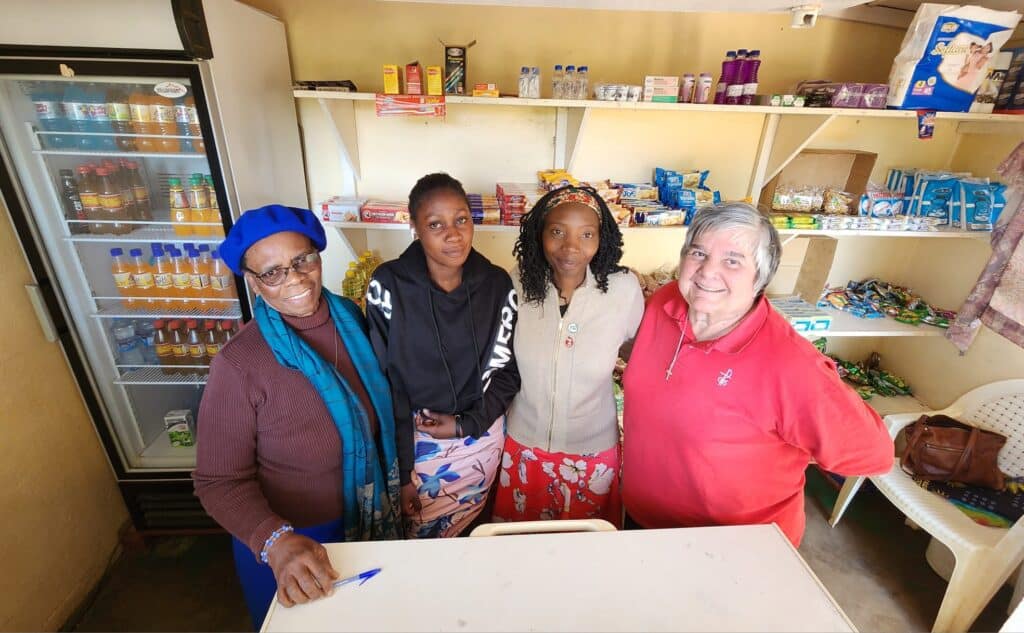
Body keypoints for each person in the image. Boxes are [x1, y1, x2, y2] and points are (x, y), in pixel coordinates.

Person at [621, 202, 894, 547]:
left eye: (732, 261)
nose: (707, 272)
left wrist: (789, 442)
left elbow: (873, 452)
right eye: (698, 253)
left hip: (735, 546)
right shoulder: (665, 303)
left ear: (760, 277)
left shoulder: (791, 364)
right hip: (644, 524)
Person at [193, 205, 401, 628]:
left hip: (372, 518)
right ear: (252, 281)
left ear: (318, 256)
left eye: (302, 260)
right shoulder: (239, 365)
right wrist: (276, 541)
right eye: (271, 273)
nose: (293, 279)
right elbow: (217, 481)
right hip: (293, 545)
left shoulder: (354, 319)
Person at [366, 173, 520, 538]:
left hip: (478, 439)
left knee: (469, 543)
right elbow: (383, 384)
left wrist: (466, 425)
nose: (453, 234)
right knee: (415, 550)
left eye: (461, 220)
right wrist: (403, 474)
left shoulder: (497, 285)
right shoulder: (388, 286)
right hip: (414, 446)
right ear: (414, 227)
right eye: (436, 224)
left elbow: (507, 373)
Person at [492, 186, 643, 525]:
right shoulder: (517, 284)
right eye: (557, 231)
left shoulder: (622, 290)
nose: (571, 247)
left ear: (601, 238)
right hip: (524, 450)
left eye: (586, 234)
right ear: (539, 233)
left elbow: (638, 352)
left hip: (591, 456)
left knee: (586, 560)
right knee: (522, 554)